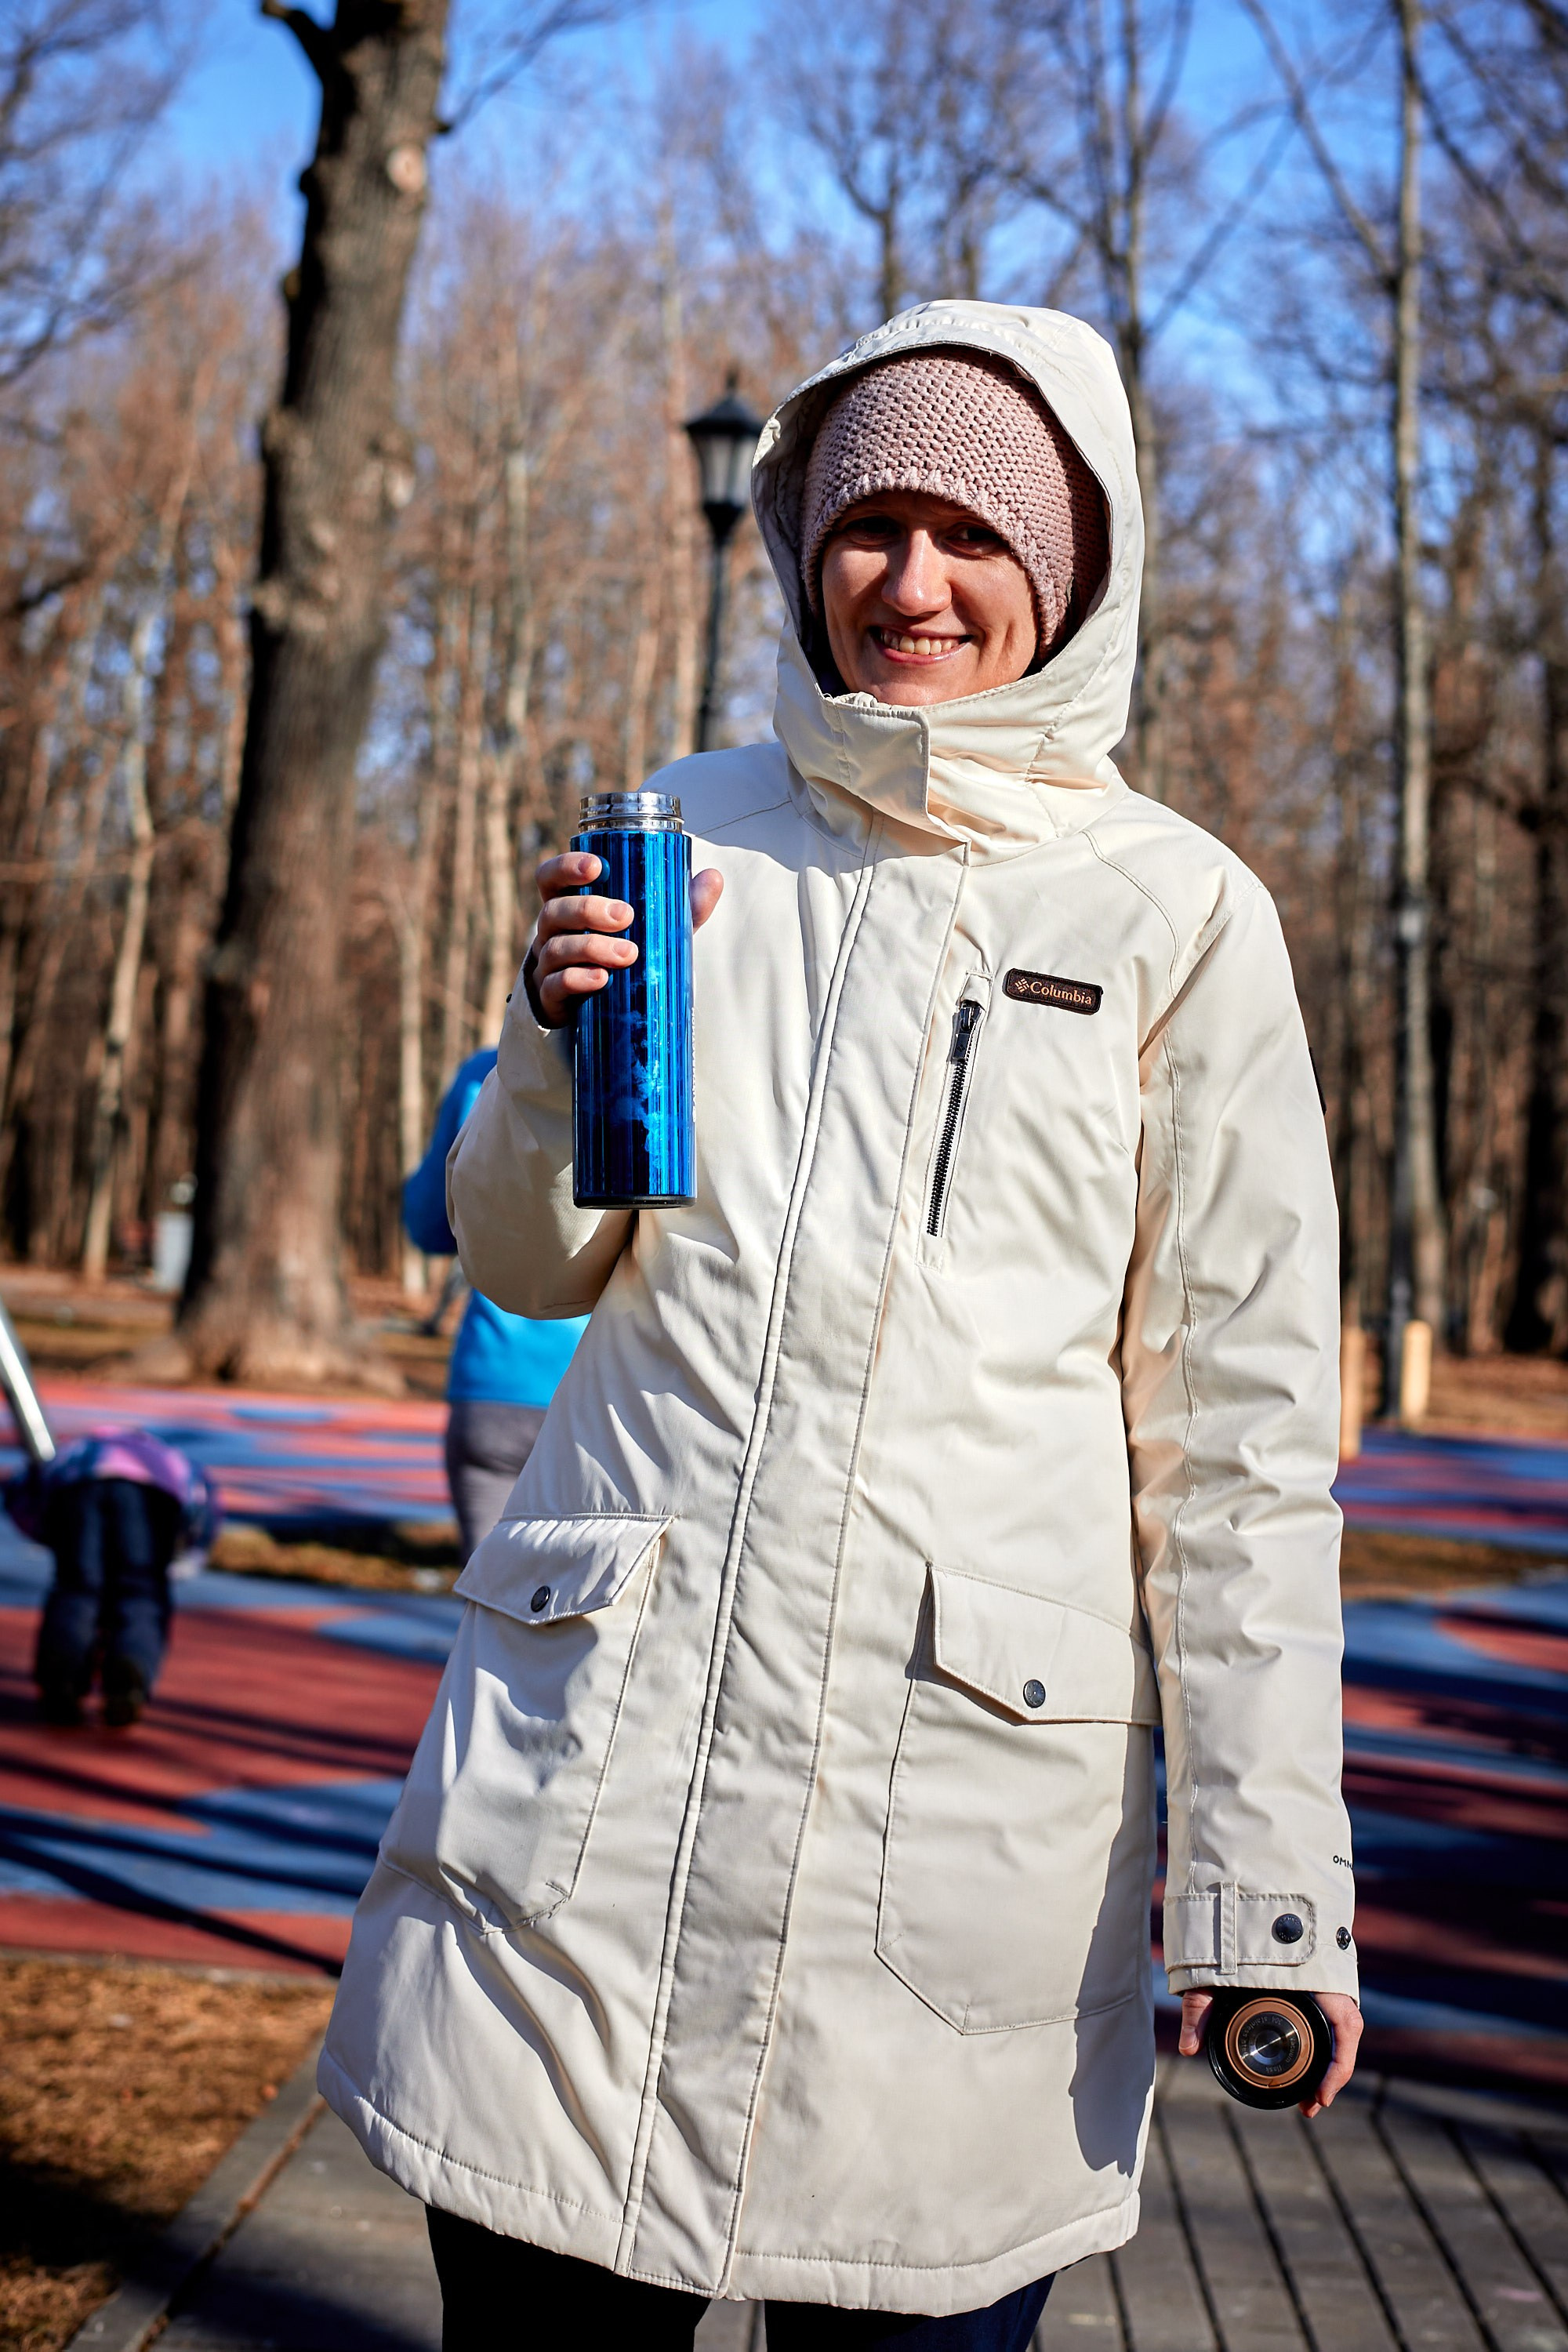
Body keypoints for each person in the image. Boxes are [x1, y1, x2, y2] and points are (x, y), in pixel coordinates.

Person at [321, 302, 1363, 2347]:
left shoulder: (1177, 916)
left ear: (1066, 571)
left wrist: (1265, 1899)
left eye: (972, 535)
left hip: (953, 1874)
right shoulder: (690, 828)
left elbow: (1238, 1452)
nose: (913, 582)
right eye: (866, 525)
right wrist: (546, 1052)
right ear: (801, 548)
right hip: (591, 1840)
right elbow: (535, 1263)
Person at [402, 1047, 588, 1563]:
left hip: (496, 1386)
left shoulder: (487, 1073)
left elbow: (429, 1223)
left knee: (492, 1616)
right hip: (608, 1391)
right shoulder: (664, 1067)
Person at [11, 1428, 219, 1726]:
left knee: (76, 1586)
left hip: (79, 1489)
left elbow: (26, 1490)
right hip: (153, 1495)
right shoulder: (169, 1457)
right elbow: (205, 1505)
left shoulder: (78, 1450)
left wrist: (49, 1536)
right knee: (142, 1591)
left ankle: (62, 1674)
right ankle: (131, 1669)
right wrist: (189, 1552)